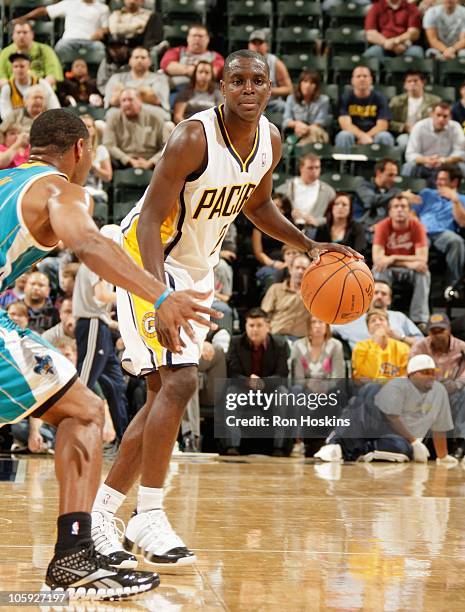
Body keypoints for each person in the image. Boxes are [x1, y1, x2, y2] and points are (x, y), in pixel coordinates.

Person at [89, 50, 361, 568]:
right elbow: (149, 219)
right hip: (149, 260)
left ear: (269, 88)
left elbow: (258, 206)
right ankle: (148, 511)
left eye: (257, 80)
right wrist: (156, 292)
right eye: (237, 80)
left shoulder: (271, 142)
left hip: (197, 269)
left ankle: (102, 517)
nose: (248, 89)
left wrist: (309, 246)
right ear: (221, 87)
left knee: (159, 399)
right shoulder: (193, 138)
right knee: (182, 382)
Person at [0, 108, 222, 597]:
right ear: (81, 149)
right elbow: (88, 241)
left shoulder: (7, 180)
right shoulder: (61, 189)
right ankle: (76, 557)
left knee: (81, 408)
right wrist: (160, 295)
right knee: (85, 412)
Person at [316, 354, 457, 464]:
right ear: (412, 375)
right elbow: (392, 417)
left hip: (399, 439)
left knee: (402, 449)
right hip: (382, 424)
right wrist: (414, 440)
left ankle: (352, 450)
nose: (430, 376)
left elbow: (440, 426)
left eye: (433, 372)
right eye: (425, 372)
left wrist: (442, 456)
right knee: (370, 391)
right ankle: (334, 443)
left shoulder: (439, 392)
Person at [224, 308, 290, 455]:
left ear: (268, 326)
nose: (255, 329)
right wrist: (248, 381)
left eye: (259, 325)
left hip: (269, 390)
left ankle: (279, 447)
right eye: (251, 325)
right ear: (245, 327)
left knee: (283, 393)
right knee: (231, 393)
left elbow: (282, 376)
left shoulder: (280, 345)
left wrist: (262, 383)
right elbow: (232, 374)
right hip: (243, 388)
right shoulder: (236, 343)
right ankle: (232, 447)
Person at [372, 194, 430, 326]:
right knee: (378, 269)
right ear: (390, 211)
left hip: (408, 269)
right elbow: (378, 259)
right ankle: (377, 314)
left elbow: (422, 258)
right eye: (396, 207)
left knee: (423, 272)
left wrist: (392, 258)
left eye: (403, 206)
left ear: (410, 211)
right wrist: (407, 262)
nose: (399, 210)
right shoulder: (382, 226)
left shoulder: (417, 226)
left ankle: (419, 320)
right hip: (391, 268)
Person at [407, 164, 465, 289]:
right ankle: (411, 283)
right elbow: (412, 212)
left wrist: (455, 200)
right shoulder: (427, 193)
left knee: (457, 241)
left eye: (443, 179)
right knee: (415, 240)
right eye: (438, 179)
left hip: (444, 233)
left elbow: (462, 222)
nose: (438, 182)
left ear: (454, 182)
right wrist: (417, 224)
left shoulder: (461, 199)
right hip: (422, 231)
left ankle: (452, 286)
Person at [410, 312, 465, 441]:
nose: (438, 335)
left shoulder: (462, 347)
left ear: (449, 330)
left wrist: (458, 383)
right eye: (434, 331)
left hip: (455, 393)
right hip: (427, 394)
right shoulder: (419, 347)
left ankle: (461, 442)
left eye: (441, 330)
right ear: (429, 333)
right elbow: (413, 373)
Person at [332, 279, 424, 349]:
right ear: (368, 297)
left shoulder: (399, 317)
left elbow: (423, 343)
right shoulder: (353, 318)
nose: (379, 296)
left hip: (397, 367)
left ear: (390, 300)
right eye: (375, 293)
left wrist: (401, 337)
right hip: (365, 367)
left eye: (384, 294)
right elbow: (326, 326)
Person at [15, 0, 110, 60]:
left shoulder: (103, 8)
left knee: (101, 49)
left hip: (91, 41)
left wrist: (101, 31)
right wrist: (24, 18)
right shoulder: (70, 2)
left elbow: (106, 27)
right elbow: (45, 11)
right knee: (59, 48)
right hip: (69, 40)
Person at [103, 88, 167, 169]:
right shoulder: (113, 118)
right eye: (123, 100)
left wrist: (152, 161)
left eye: (130, 100)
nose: (127, 103)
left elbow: (167, 146)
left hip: (153, 162)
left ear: (139, 100)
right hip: (123, 163)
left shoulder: (155, 118)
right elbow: (109, 144)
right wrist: (128, 160)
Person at [335, 66, 395, 151]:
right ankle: (344, 164)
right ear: (352, 80)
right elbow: (345, 124)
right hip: (353, 134)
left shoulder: (380, 98)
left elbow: (383, 125)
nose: (362, 79)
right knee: (344, 135)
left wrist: (367, 136)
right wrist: (362, 136)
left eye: (365, 76)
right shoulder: (345, 97)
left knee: (385, 136)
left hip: (374, 135)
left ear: (371, 80)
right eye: (358, 76)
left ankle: (383, 164)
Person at [402, 102, 465, 180]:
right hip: (424, 164)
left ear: (450, 117)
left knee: (463, 166)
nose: (441, 119)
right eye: (438, 115)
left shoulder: (455, 127)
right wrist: (426, 160)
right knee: (408, 166)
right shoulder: (419, 126)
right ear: (431, 114)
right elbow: (410, 154)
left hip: (447, 165)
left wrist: (444, 160)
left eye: (445, 116)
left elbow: (461, 153)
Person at [276, 153, 335, 235]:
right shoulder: (284, 189)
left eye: (317, 167)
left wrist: (317, 221)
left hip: (315, 231)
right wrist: (289, 214)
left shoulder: (329, 192)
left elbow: (333, 217)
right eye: (310, 168)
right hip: (289, 229)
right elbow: (275, 211)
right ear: (301, 168)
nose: (314, 171)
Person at [104, 46, 170, 119]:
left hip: (150, 113)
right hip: (122, 113)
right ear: (130, 61)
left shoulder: (160, 78)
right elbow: (113, 101)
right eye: (136, 57)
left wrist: (124, 90)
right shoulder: (117, 77)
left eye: (143, 57)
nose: (139, 60)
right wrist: (144, 92)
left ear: (150, 61)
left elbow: (156, 100)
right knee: (110, 114)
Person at [261, 254, 312, 339]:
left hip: (301, 340)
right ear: (290, 269)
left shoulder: (313, 294)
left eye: (304, 269)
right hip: (276, 337)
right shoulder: (275, 289)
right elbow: (263, 316)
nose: (300, 271)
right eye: (297, 267)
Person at [160, 23, 224, 89]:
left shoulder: (216, 57)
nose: (197, 39)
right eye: (194, 36)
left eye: (200, 36)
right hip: (176, 89)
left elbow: (214, 72)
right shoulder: (176, 51)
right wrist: (196, 71)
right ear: (188, 38)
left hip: (204, 92)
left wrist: (183, 69)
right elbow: (167, 65)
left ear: (207, 39)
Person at [0, 21, 63, 88]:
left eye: (25, 32)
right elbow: (1, 77)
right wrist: (13, 89)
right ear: (13, 35)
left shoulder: (46, 50)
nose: (21, 35)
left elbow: (53, 75)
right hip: (13, 91)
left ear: (32, 34)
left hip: (41, 90)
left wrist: (39, 88)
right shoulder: (5, 53)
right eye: (18, 32)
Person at [389, 71, 440, 151]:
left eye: (415, 81)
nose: (412, 83)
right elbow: (389, 122)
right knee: (404, 142)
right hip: (405, 134)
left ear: (423, 82)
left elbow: (439, 119)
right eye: (409, 81)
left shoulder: (435, 101)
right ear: (405, 85)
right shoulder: (396, 101)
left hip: (427, 134)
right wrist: (404, 127)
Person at [352, 308, 410, 380]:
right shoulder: (360, 347)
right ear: (368, 329)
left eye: (381, 319)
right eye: (373, 321)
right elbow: (370, 374)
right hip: (368, 387)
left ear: (388, 326)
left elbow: (405, 376)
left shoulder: (403, 348)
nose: (378, 323)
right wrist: (376, 344)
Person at [0, 52, 60, 119]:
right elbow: (5, 114)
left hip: (40, 121)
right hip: (17, 124)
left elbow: (54, 106)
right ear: (12, 68)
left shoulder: (41, 83)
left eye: (22, 66)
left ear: (29, 67)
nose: (19, 69)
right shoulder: (7, 87)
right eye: (15, 66)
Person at [252, 193, 294, 287]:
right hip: (268, 263)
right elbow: (258, 253)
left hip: (288, 262)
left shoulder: (289, 226)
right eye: (275, 205)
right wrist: (273, 263)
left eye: (281, 208)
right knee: (273, 276)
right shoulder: (258, 224)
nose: (277, 210)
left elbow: (293, 249)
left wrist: (288, 263)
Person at [247, 30, 292, 112]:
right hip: (248, 102)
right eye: (254, 43)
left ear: (267, 46)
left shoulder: (276, 63)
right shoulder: (242, 62)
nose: (257, 46)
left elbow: (288, 89)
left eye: (260, 43)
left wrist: (269, 90)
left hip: (271, 103)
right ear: (249, 45)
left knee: (284, 107)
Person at [282, 70, 330, 145]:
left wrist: (306, 129)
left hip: (316, 133)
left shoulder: (324, 100)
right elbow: (286, 120)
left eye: (312, 83)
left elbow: (320, 122)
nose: (308, 86)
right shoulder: (291, 98)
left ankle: (301, 148)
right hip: (296, 132)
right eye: (305, 81)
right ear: (300, 83)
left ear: (316, 86)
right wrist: (297, 124)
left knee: (315, 132)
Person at [354, 158, 402, 227]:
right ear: (378, 173)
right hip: (365, 228)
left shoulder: (396, 191)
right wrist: (397, 195)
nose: (393, 179)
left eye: (395, 175)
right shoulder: (363, 187)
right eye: (390, 175)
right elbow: (371, 201)